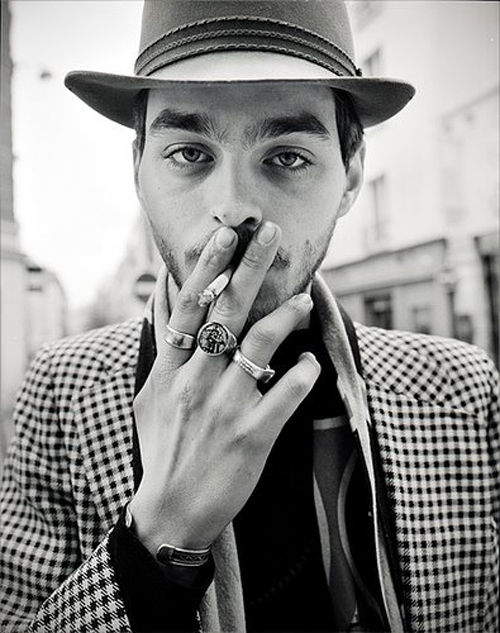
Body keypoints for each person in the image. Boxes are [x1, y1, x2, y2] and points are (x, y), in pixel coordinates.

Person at [1, 1, 498, 631]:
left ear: (350, 179)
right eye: (188, 153)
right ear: (138, 172)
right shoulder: (62, 389)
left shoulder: (460, 391)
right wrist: (156, 535)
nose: (234, 207)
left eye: (288, 156)